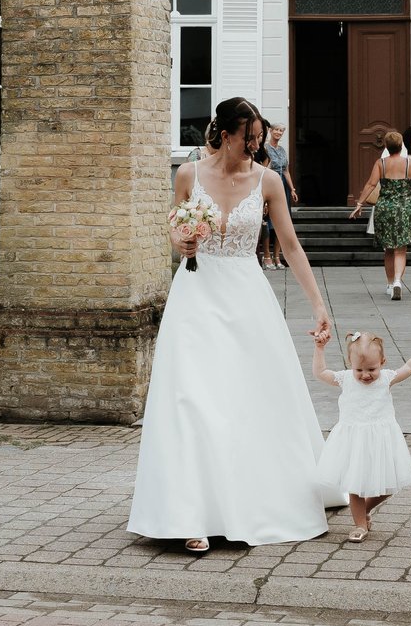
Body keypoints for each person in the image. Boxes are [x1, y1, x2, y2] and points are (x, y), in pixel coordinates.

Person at [130, 97, 337, 551]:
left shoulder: (268, 181)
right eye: (250, 139)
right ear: (224, 135)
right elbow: (171, 226)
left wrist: (318, 304)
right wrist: (180, 240)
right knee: (190, 398)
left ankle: (249, 499)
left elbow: (291, 246)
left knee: (247, 398)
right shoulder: (188, 174)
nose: (256, 146)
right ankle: (188, 513)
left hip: (246, 296)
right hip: (196, 294)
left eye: (260, 138)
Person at [310, 329, 411, 542]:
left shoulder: (386, 379)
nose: (365, 375)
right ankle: (359, 525)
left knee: (388, 485)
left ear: (382, 362)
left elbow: (410, 366)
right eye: (359, 369)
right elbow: (320, 373)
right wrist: (319, 348)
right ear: (350, 363)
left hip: (380, 441)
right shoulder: (345, 379)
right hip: (353, 441)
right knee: (355, 485)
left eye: (371, 369)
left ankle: (364, 510)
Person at [351, 130, 411, 300]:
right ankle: (398, 281)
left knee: (388, 248)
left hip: (384, 208)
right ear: (401, 144)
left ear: (387, 147)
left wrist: (359, 204)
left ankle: (390, 284)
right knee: (401, 249)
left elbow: (371, 184)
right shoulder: (409, 163)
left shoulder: (380, 163)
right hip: (403, 208)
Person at [259, 120, 296, 267]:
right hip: (270, 187)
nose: (279, 133)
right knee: (268, 222)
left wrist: (292, 189)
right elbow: (263, 170)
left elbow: (286, 170)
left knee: (282, 222)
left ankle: (277, 257)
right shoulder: (266, 149)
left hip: (283, 189)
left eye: (282, 131)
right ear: (271, 131)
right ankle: (267, 256)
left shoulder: (282, 150)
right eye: (277, 130)